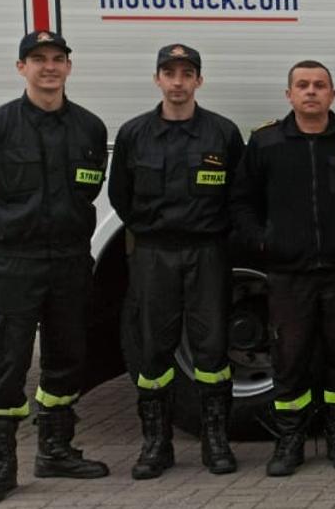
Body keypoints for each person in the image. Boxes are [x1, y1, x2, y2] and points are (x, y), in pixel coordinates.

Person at [0, 30, 111, 505]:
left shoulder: (89, 128)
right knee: (6, 363)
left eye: (57, 59)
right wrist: (2, 230)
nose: (49, 67)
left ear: (68, 67)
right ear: (22, 68)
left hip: (69, 262)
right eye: (38, 59)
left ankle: (56, 450)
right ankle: (0, 467)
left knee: (68, 357)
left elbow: (89, 189)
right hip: (14, 264)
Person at [229, 60, 335, 477]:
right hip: (288, 275)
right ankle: (290, 441)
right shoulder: (266, 143)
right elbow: (242, 201)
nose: (311, 91)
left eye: (320, 85)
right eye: (302, 85)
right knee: (289, 360)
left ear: (332, 94)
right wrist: (263, 241)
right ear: (289, 95)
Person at [106, 43, 246, 480]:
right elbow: (120, 195)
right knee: (153, 349)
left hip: (208, 253)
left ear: (199, 80)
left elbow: (238, 195)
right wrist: (151, 232)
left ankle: (215, 441)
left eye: (187, 74)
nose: (178, 82)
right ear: (157, 79)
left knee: (212, 347)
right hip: (154, 254)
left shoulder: (222, 133)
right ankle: (156, 443)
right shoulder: (134, 134)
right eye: (170, 73)